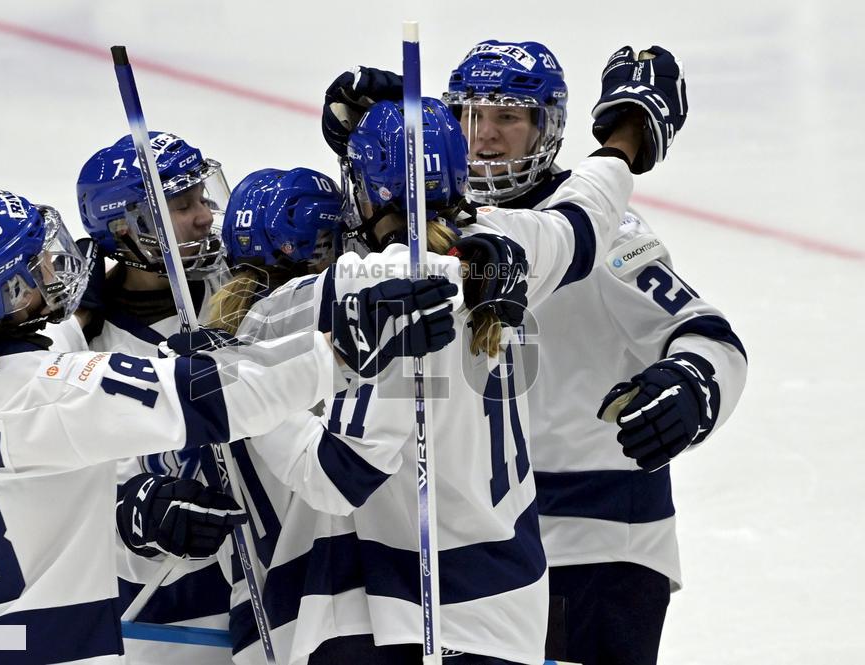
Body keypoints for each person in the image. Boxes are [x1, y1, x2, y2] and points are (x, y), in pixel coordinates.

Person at [236, 39, 687, 662]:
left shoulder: (363, 286)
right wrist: (628, 136)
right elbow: (588, 211)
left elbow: (338, 475)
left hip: (392, 610)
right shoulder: (517, 244)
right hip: (509, 605)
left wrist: (252, 403)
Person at [0, 189, 457, 664]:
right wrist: (344, 351)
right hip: (50, 652)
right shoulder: (61, 393)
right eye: (37, 262)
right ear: (7, 292)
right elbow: (222, 399)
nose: (57, 264)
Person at [441, 41, 748, 665]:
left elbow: (710, 337)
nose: (485, 136)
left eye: (507, 118)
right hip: (482, 546)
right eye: (471, 115)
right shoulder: (444, 230)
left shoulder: (605, 236)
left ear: (546, 129)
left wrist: (689, 385)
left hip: (597, 545)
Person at [76, 131, 237, 665]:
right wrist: (136, 509)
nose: (205, 217)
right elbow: (63, 489)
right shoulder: (87, 344)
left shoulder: (241, 282)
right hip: (170, 612)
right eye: (181, 205)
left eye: (202, 197)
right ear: (124, 227)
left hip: (273, 575)